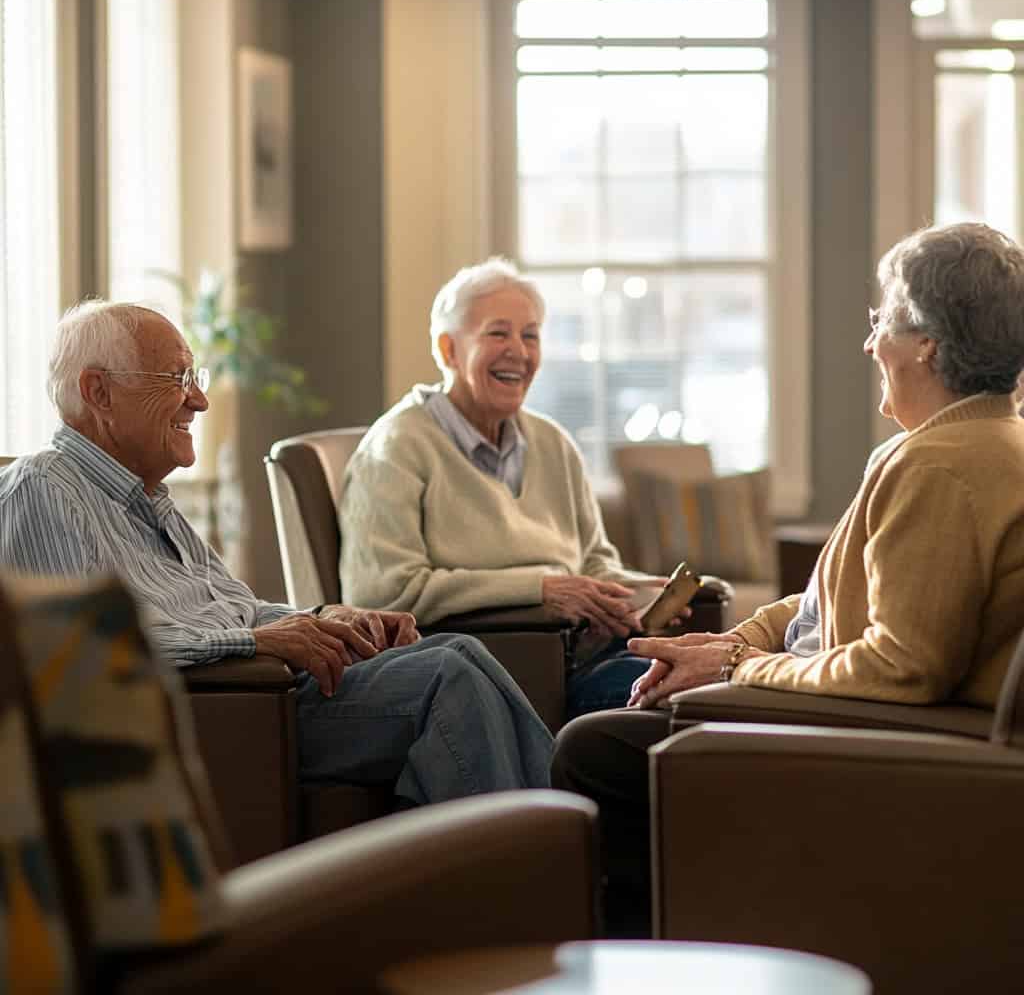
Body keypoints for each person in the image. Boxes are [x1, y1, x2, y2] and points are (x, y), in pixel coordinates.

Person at [552, 221, 1024, 935]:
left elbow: (906, 668)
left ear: (926, 341)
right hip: (843, 705)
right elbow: (837, 598)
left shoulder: (940, 467)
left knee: (590, 747)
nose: (871, 343)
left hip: (870, 735)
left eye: (883, 320)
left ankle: (648, 962)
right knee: (622, 710)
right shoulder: (963, 442)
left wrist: (740, 667)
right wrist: (739, 638)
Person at [0, 300, 553, 804]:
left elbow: (234, 607)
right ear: (98, 392)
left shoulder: (147, 500)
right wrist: (253, 642)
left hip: (262, 688)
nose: (199, 398)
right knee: (444, 677)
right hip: (224, 712)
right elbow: (83, 656)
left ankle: (556, 850)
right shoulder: (43, 491)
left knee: (459, 651)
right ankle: (519, 883)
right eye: (177, 378)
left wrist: (322, 617)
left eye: (195, 377)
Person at [339, 258, 671, 719]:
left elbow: (594, 560)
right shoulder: (397, 447)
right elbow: (380, 592)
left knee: (709, 679)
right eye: (498, 333)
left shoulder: (554, 442)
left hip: (586, 656)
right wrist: (538, 590)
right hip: (487, 676)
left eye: (530, 335)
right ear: (448, 349)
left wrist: (644, 593)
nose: (518, 350)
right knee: (671, 700)